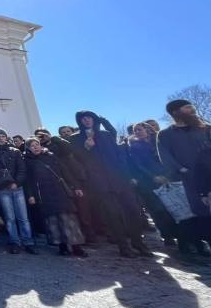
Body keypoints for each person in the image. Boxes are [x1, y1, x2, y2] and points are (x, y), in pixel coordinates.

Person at [70, 110, 151, 258]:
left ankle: (138, 243)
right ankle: (123, 246)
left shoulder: (105, 134)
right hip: (98, 180)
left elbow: (117, 153)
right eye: (83, 118)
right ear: (79, 122)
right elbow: (79, 159)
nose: (87, 120)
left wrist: (126, 174)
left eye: (89, 117)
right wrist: (87, 147)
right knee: (112, 213)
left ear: (94, 119)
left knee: (133, 209)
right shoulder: (75, 138)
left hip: (117, 177)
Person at [127, 122, 199, 253]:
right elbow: (138, 165)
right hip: (151, 181)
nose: (137, 132)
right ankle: (173, 237)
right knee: (163, 212)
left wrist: (168, 174)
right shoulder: (134, 147)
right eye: (135, 130)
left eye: (139, 129)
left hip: (171, 177)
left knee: (182, 208)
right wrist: (153, 176)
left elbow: (168, 158)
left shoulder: (159, 142)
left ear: (147, 130)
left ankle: (192, 239)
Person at [23, 137, 88, 257]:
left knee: (68, 219)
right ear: (28, 148)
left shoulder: (51, 156)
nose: (36, 147)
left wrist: (76, 186)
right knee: (53, 221)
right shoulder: (27, 161)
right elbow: (28, 180)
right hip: (43, 193)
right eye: (32, 145)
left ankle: (76, 246)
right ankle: (62, 246)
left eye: (37, 144)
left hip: (60, 191)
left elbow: (65, 172)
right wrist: (30, 195)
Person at [0, 128, 37, 255]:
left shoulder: (15, 151)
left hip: (17, 188)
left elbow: (22, 169)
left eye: (3, 136)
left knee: (23, 217)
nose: (1, 138)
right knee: (9, 217)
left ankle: (28, 242)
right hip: (1, 188)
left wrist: (17, 183)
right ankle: (14, 241)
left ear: (6, 137)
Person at [34, 127, 94, 242]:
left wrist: (52, 138)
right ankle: (75, 235)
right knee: (68, 210)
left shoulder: (57, 144)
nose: (42, 137)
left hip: (71, 177)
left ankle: (89, 233)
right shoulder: (39, 150)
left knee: (82, 207)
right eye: (39, 136)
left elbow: (68, 148)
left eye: (44, 134)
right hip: (56, 183)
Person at [157, 100, 211, 218]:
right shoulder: (166, 134)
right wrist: (183, 170)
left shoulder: (205, 128)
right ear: (175, 112)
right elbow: (165, 156)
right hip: (192, 178)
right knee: (202, 211)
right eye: (187, 107)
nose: (193, 110)